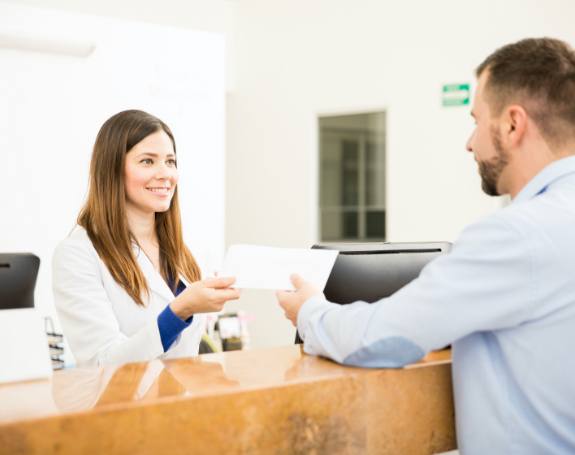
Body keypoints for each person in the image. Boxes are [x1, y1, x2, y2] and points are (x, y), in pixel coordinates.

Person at [276, 38, 575, 453]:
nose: (470, 143)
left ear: (512, 124)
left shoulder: (516, 235)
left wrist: (309, 310)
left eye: (476, 121)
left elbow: (379, 340)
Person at [53, 110, 240, 367]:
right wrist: (179, 311)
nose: (165, 174)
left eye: (170, 161)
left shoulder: (181, 251)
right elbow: (103, 362)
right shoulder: (77, 254)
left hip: (182, 403)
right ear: (113, 169)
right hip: (122, 406)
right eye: (147, 161)